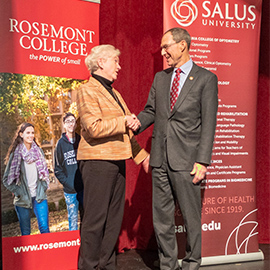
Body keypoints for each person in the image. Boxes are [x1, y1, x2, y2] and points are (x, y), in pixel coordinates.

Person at [134, 27, 218, 270]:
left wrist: (202, 162)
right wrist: (137, 123)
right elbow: (151, 111)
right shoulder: (161, 78)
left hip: (188, 161)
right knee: (162, 221)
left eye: (166, 46)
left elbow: (209, 124)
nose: (163, 52)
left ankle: (192, 264)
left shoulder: (206, 79)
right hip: (159, 160)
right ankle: (168, 266)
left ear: (182, 45)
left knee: (192, 220)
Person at [76, 44, 150, 270]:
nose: (119, 66)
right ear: (101, 63)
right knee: (95, 222)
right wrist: (124, 121)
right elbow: (93, 127)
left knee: (113, 221)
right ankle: (88, 267)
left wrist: (143, 157)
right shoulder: (86, 90)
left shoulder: (115, 93)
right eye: (115, 61)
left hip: (117, 161)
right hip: (97, 162)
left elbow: (125, 131)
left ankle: (107, 265)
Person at [3, 122, 50, 236]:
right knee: (26, 232)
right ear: (21, 134)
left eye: (32, 133)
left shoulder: (39, 152)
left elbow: (45, 172)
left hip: (39, 196)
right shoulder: (16, 155)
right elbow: (6, 180)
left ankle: (47, 254)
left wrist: (43, 187)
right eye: (27, 133)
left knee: (45, 229)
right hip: (22, 199)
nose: (30, 135)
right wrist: (18, 192)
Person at [54, 112, 83, 231]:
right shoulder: (60, 144)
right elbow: (57, 168)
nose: (71, 124)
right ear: (64, 125)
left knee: (86, 217)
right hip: (70, 191)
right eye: (68, 121)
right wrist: (67, 183)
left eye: (73, 121)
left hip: (83, 188)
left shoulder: (81, 140)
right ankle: (74, 246)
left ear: (76, 124)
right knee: (73, 219)